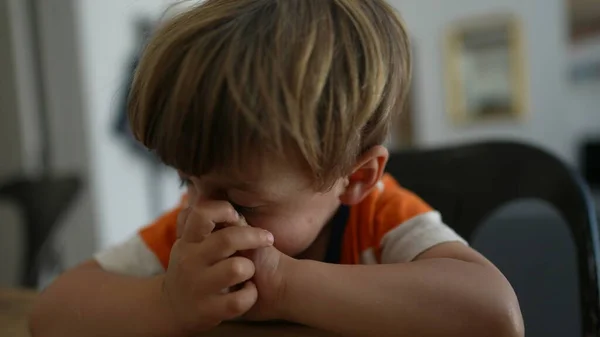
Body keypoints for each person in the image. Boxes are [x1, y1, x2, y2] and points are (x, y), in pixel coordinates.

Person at [30, 1, 524, 336]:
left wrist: (285, 285)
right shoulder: (202, 229)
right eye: (186, 180)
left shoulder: (381, 220)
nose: (198, 211)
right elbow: (50, 314)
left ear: (354, 179)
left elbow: (495, 315)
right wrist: (166, 303)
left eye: (242, 201)